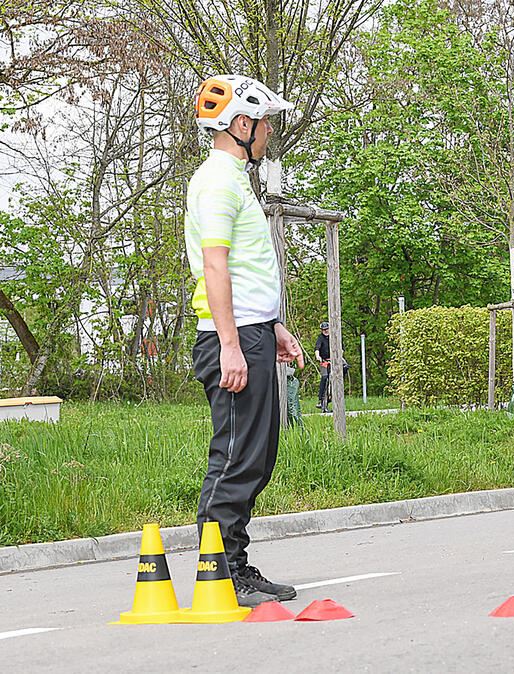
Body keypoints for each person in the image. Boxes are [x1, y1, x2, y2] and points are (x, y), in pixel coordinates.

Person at [186, 75, 303, 607]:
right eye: (265, 124)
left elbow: (245, 267)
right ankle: (220, 571)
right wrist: (231, 344)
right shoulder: (216, 182)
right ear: (241, 125)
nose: (269, 132)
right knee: (234, 456)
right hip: (230, 339)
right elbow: (215, 265)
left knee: (255, 456)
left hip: (251, 332)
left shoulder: (234, 181)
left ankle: (234, 563)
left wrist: (270, 325)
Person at [315, 321, 349, 413]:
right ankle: (321, 400)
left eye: (327, 329)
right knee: (325, 377)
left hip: (335, 360)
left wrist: (339, 356)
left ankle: (339, 383)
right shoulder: (320, 338)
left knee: (345, 366)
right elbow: (317, 348)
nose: (325, 331)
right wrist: (318, 356)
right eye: (323, 330)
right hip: (325, 361)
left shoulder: (334, 336)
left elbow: (341, 349)